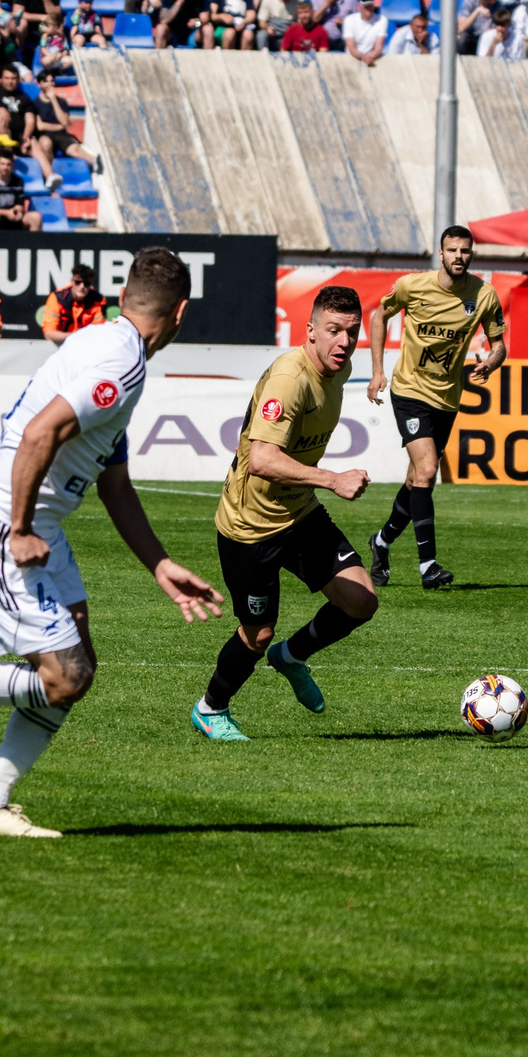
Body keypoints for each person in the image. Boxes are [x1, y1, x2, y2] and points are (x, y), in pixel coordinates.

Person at [0, 247, 219, 837]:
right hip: (3, 523)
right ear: (181, 312)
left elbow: (114, 484)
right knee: (64, 677)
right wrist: (22, 528)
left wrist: (159, 564)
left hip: (36, 526)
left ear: (119, 297)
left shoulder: (98, 341)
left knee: (77, 669)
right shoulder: (124, 364)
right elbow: (40, 433)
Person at [192, 285, 380, 742]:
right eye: (333, 331)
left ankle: (292, 656)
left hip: (299, 514)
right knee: (256, 633)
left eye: (351, 332)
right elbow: (262, 459)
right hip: (249, 527)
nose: (344, 342)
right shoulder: (289, 380)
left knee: (361, 600)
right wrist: (334, 479)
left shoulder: (341, 368)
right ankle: (210, 708)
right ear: (310, 330)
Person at [363, 225, 504, 589]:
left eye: (465, 251)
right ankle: (428, 567)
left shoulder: (484, 296)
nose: (459, 256)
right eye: (452, 250)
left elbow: (499, 343)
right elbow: (379, 316)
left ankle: (381, 542)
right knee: (427, 470)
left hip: (447, 399)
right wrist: (377, 371)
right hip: (410, 391)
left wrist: (491, 362)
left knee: (417, 480)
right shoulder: (413, 285)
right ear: (440, 254)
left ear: (472, 255)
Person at [36, 261, 104, 343]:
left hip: (87, 345)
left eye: (86, 283)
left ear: (90, 285)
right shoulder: (57, 298)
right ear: (72, 281)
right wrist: (75, 336)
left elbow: (99, 333)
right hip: (61, 345)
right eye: (78, 282)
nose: (82, 287)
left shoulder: (99, 300)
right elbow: (49, 334)